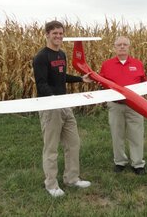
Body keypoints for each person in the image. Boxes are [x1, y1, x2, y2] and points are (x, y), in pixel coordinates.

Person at [33, 20, 92, 198]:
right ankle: (51, 184)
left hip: (64, 104)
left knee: (73, 143)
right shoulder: (41, 57)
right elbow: (41, 83)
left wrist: (81, 79)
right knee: (51, 147)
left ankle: (71, 178)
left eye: (60, 33)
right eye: (54, 33)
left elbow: (62, 77)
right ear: (47, 34)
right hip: (50, 106)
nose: (58, 36)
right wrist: (54, 100)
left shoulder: (61, 55)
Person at [99, 36, 147, 175]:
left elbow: (143, 82)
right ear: (114, 47)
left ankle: (138, 164)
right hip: (116, 105)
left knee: (136, 133)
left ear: (129, 47)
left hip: (135, 105)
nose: (122, 47)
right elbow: (102, 83)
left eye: (124, 44)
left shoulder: (137, 63)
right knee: (117, 133)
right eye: (119, 45)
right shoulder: (107, 64)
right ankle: (120, 161)